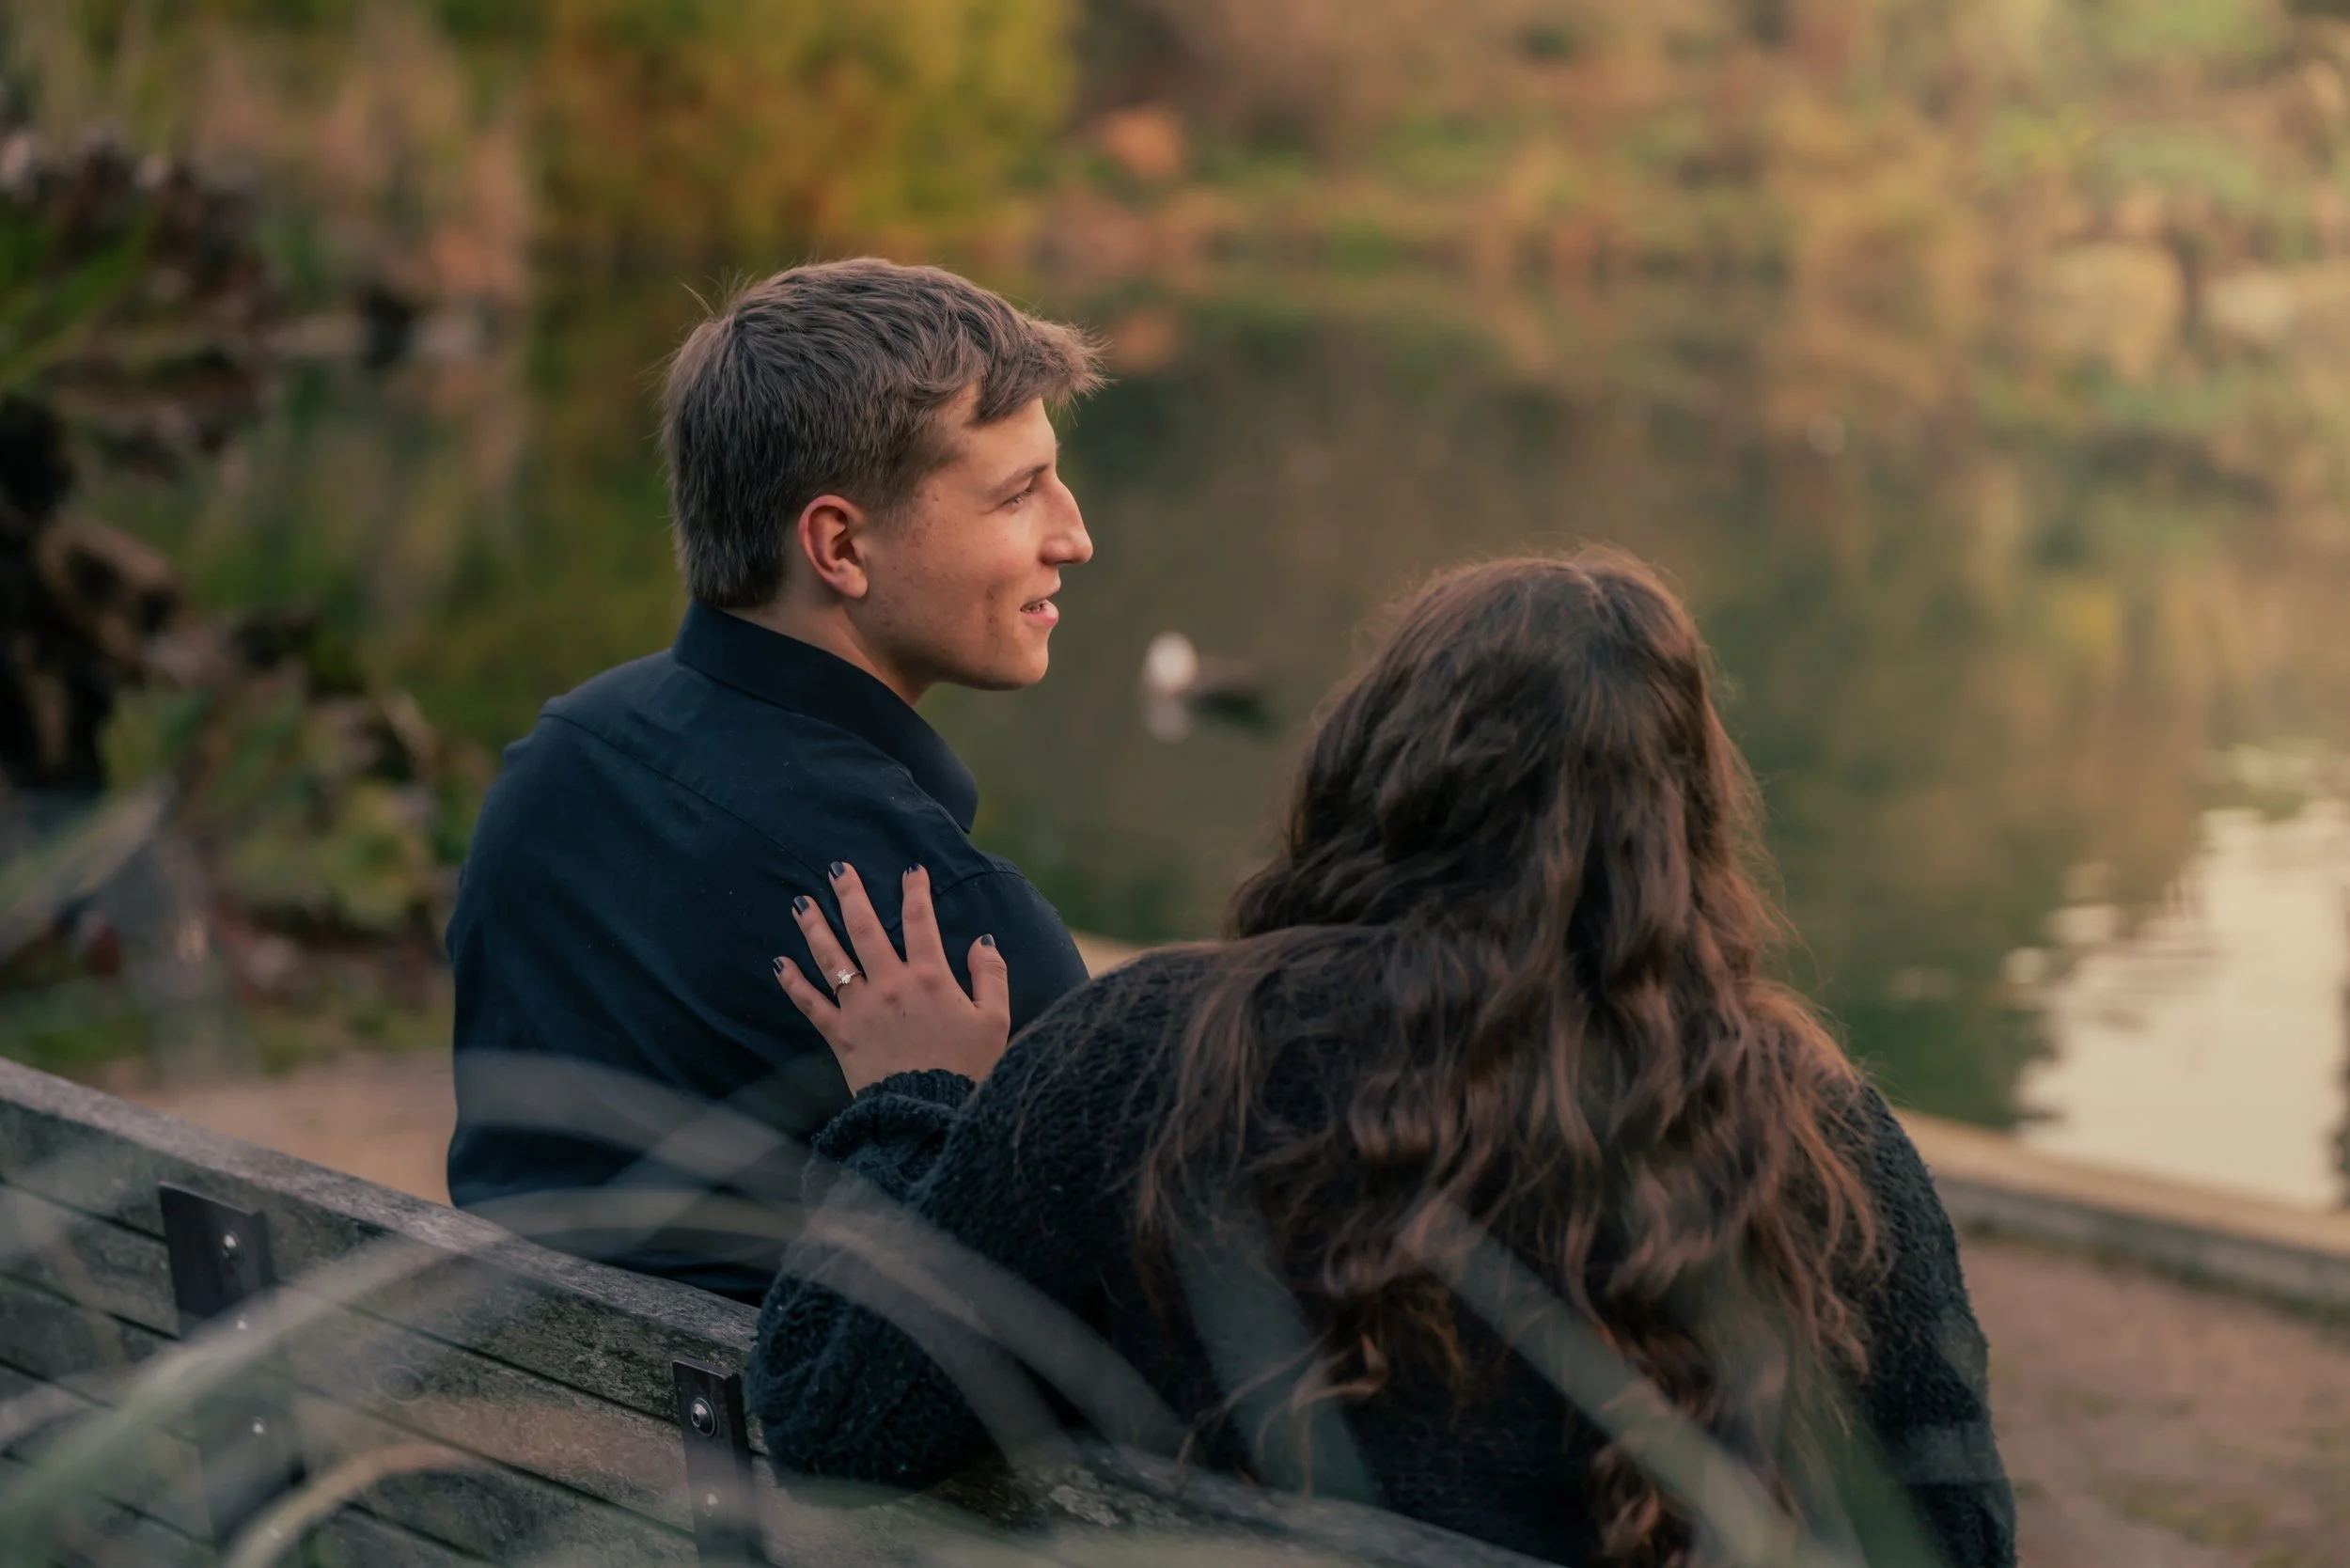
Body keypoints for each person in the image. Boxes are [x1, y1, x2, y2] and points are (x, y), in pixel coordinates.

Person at [748, 553, 2016, 1568]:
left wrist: (915, 1105)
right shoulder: (1820, 1144)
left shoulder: (1144, 1055)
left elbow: (834, 1423)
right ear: (1682, 826)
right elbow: (1957, 1540)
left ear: (1373, 768)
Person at [445, 259, 1104, 1302]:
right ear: (838, 544)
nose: (1073, 536)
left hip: (516, 1426)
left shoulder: (557, 768)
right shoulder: (945, 940)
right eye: (1017, 494)